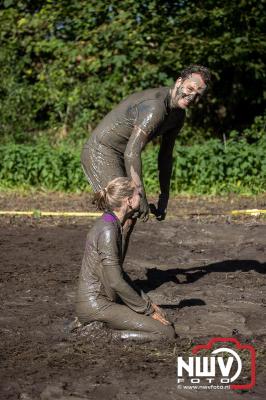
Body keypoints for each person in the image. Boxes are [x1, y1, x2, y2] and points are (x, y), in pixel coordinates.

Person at [81, 65, 211, 223]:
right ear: (179, 82)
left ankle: (114, 247)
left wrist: (164, 197)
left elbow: (165, 157)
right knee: (125, 208)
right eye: (190, 89)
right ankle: (101, 247)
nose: (192, 98)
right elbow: (131, 152)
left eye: (198, 95)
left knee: (130, 213)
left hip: (122, 154)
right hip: (101, 151)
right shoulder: (156, 108)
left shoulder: (178, 116)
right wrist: (139, 193)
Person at [76, 177, 176, 341]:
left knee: (162, 316)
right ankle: (103, 334)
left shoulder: (110, 221)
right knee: (165, 332)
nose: (141, 195)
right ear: (129, 201)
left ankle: (102, 327)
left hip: (100, 302)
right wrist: (147, 310)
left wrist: (148, 303)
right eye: (138, 193)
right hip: (96, 305)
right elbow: (116, 281)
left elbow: (119, 274)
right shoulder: (109, 229)